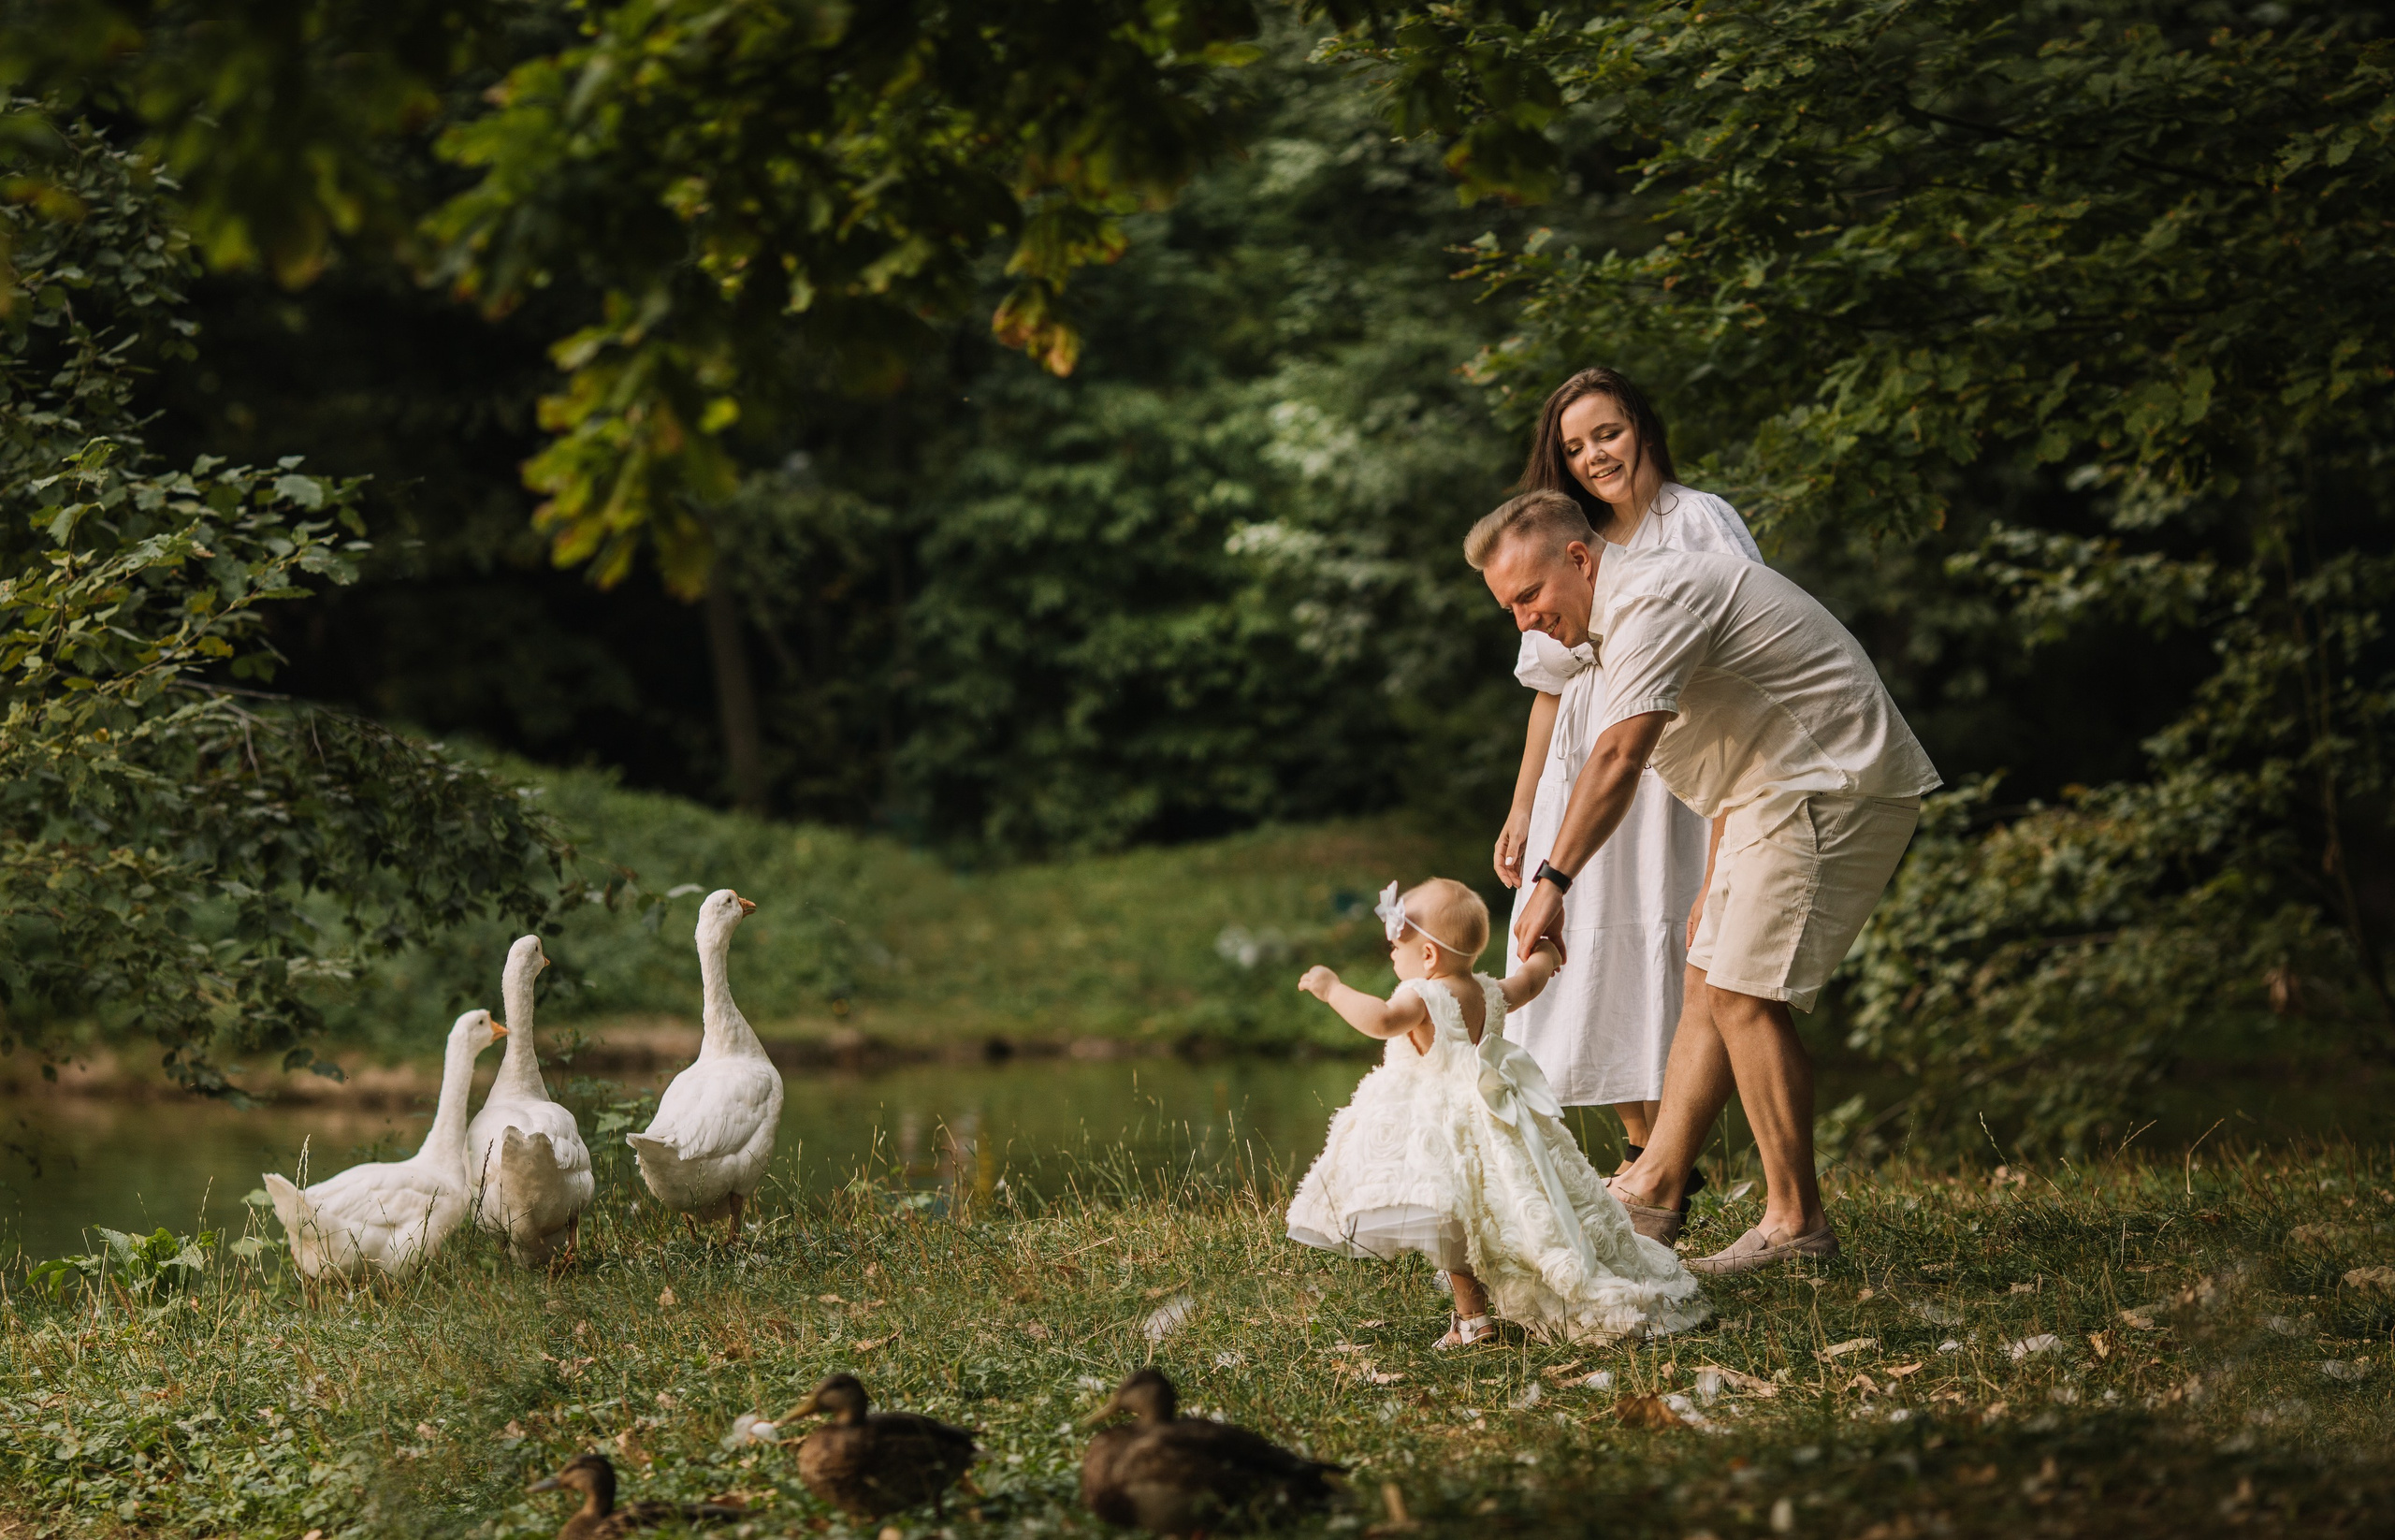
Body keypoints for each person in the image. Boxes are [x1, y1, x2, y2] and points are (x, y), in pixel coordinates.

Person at [1468, 490, 1940, 1275]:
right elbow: (1736, 736)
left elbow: (1619, 756)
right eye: (1508, 607)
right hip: (1769, 790)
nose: (1523, 620)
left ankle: (1796, 1224)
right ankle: (1652, 1192)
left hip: (1831, 781)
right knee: (1707, 982)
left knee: (1746, 997)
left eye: (1529, 596)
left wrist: (1554, 878)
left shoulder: (1651, 599)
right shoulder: (1620, 617)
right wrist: (1716, 875)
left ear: (1579, 560)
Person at [1492, 368, 1763, 1180]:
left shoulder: (1699, 520)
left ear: (1640, 426)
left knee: (1659, 933)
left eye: (1605, 433)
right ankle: (1644, 1152)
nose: (1593, 456)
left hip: (1661, 759)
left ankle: (1670, 1153)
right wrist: (1522, 804)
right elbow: (1547, 688)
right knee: (1588, 950)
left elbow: (1740, 635)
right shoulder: (1571, 542)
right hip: (1580, 754)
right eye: (1573, 447)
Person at [1285, 878, 1709, 1344]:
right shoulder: (1487, 990)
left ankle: (1472, 1319)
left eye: (1395, 944)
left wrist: (1332, 989)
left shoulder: (1422, 996)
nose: (1390, 954)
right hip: (1499, 1120)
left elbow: (1382, 1020)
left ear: (1428, 955)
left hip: (1444, 1128)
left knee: (1457, 1226)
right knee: (1508, 1214)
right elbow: (1531, 979)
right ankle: (1488, 1309)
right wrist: (1547, 949)